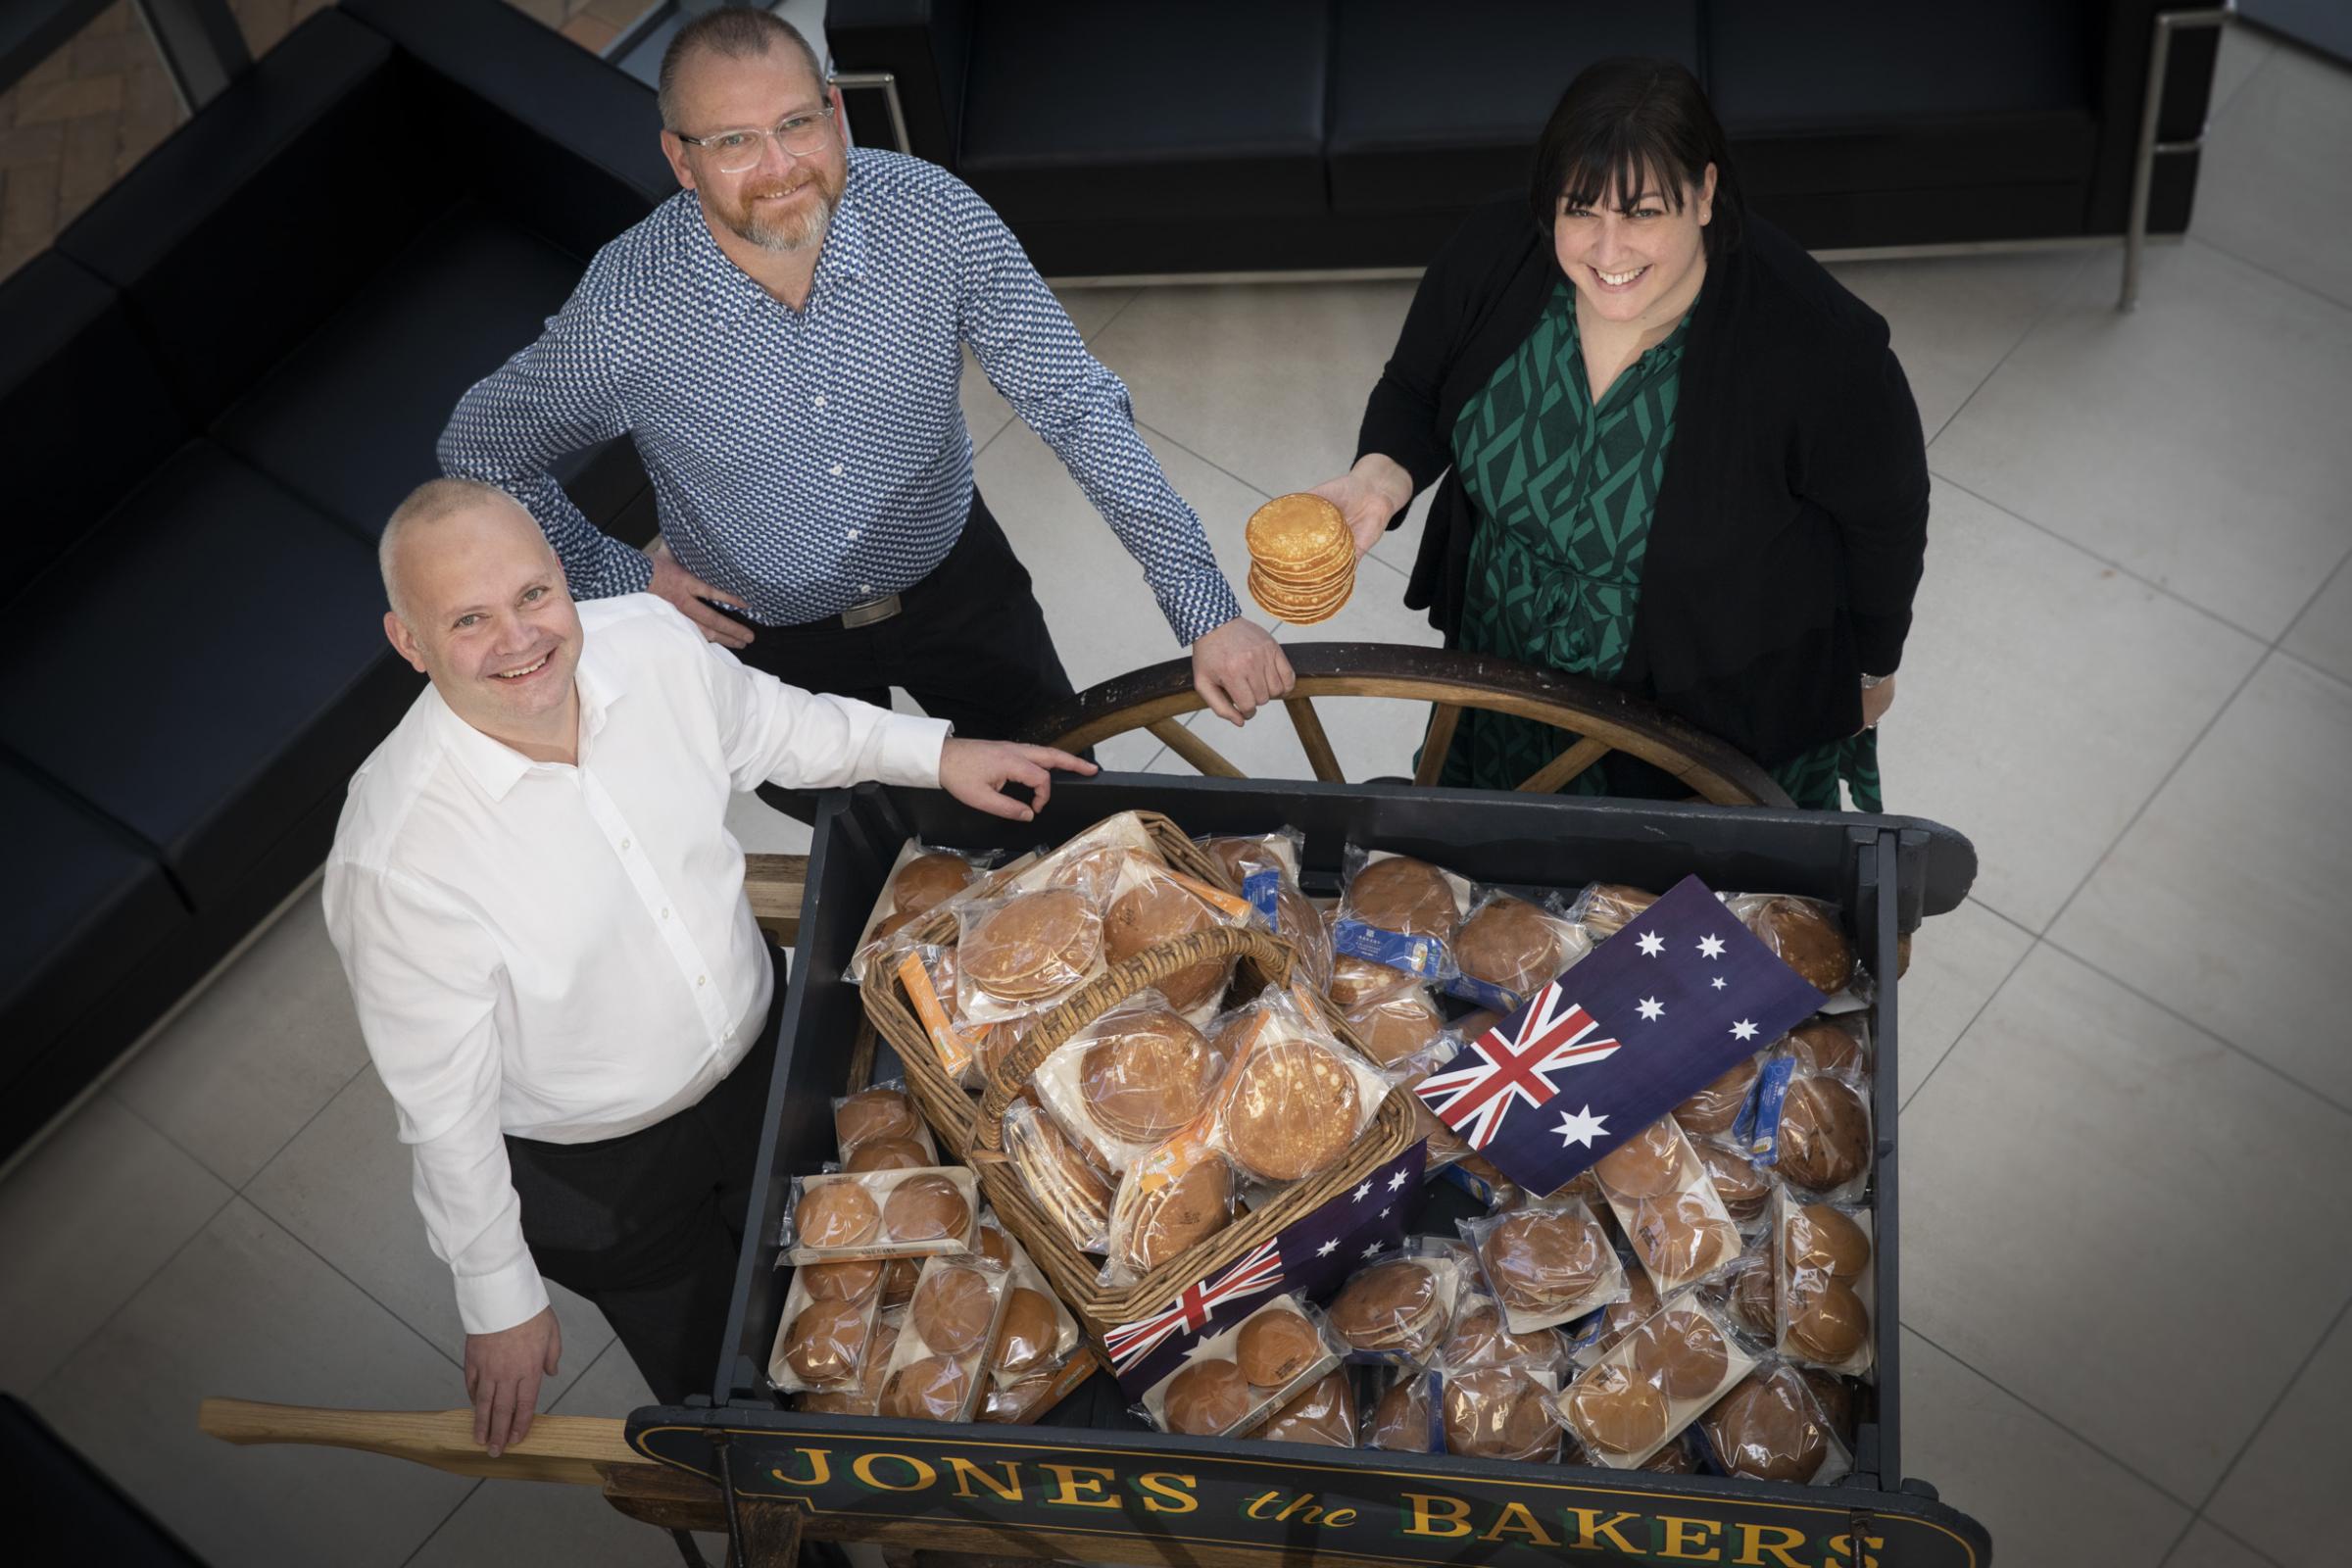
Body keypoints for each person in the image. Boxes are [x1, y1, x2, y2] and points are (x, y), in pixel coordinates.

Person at [323, 477, 1091, 1456]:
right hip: (608, 1176)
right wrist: (497, 1296)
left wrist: (937, 753)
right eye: (469, 619)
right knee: (738, 1413)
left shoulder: (648, 643)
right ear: (410, 642)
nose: (519, 639)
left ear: (563, 578)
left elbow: (784, 727)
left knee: (869, 1305)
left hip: (770, 1065)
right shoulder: (394, 857)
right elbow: (443, 1105)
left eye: (531, 596)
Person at [438, 9, 1292, 783]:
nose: (779, 170)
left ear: (835, 113)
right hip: (767, 646)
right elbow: (480, 452)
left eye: (796, 125)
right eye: (734, 142)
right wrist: (625, 575)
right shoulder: (625, 314)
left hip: (959, 584)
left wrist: (1205, 609)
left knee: (1052, 784)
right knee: (878, 853)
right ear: (681, 159)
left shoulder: (933, 217)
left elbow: (1074, 403)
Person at [1308, 58, 1928, 809]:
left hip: (1705, 708)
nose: (1607, 253)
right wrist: (1383, 474)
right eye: (1580, 210)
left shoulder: (1819, 348)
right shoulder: (1494, 251)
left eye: (1641, 213)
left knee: (1653, 906)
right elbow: (1415, 388)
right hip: (1506, 662)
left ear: (1704, 194)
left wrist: (1871, 669)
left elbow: (1885, 520)